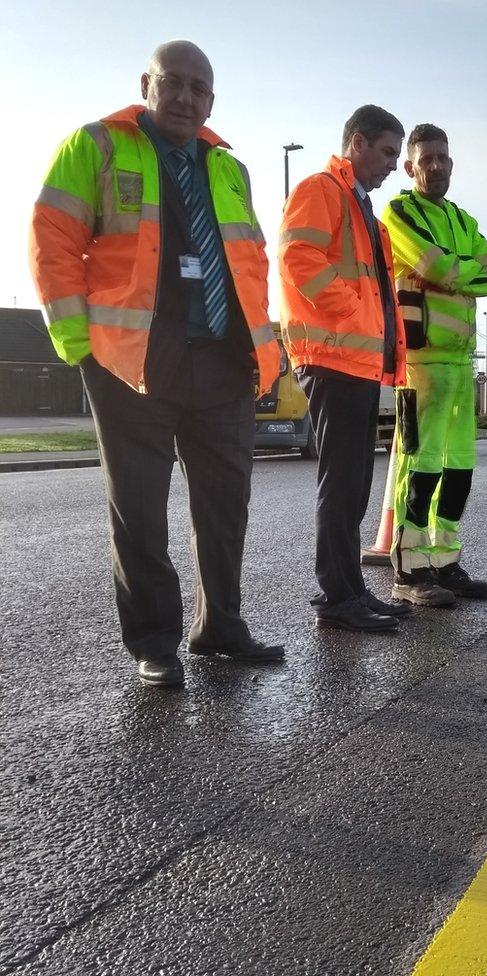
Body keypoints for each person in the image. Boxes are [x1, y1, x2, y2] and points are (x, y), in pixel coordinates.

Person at [28, 40, 285, 688]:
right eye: (174, 83)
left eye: (199, 89)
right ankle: (154, 642)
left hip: (222, 360)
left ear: (212, 100)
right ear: (148, 82)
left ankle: (220, 625)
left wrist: (265, 353)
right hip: (132, 359)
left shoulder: (229, 167)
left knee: (226, 504)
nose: (185, 97)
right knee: (139, 509)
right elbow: (51, 237)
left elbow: (252, 265)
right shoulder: (99, 145)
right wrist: (76, 342)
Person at [279, 105, 410, 632]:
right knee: (341, 480)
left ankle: (351, 589)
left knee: (355, 480)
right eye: (386, 152)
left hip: (354, 360)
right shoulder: (321, 190)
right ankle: (337, 596)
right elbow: (297, 259)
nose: (392, 166)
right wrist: (354, 315)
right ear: (355, 143)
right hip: (331, 356)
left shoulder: (362, 211)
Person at [381, 124, 487, 606]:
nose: (436, 166)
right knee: (421, 463)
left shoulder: (461, 218)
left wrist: (456, 271)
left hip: (459, 362)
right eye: (426, 159)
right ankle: (410, 572)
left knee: (459, 466)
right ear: (411, 167)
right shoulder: (400, 212)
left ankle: (445, 562)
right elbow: (438, 268)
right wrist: (458, 271)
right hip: (420, 361)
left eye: (443, 159)